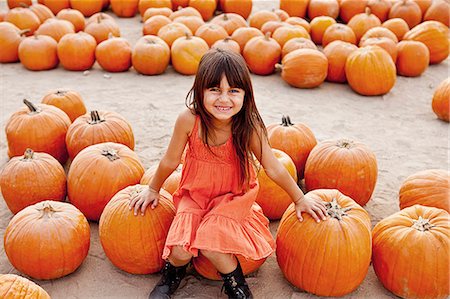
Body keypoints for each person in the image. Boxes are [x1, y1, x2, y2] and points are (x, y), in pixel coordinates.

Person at [129, 48, 327, 299]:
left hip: (233, 198)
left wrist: (300, 198)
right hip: (195, 195)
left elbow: (274, 166)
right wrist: (153, 188)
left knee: (213, 246)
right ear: (200, 90)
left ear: (246, 94)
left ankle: (237, 286)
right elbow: (170, 161)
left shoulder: (248, 125)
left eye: (233, 91)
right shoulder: (189, 120)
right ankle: (171, 275)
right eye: (215, 90)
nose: (224, 99)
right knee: (180, 250)